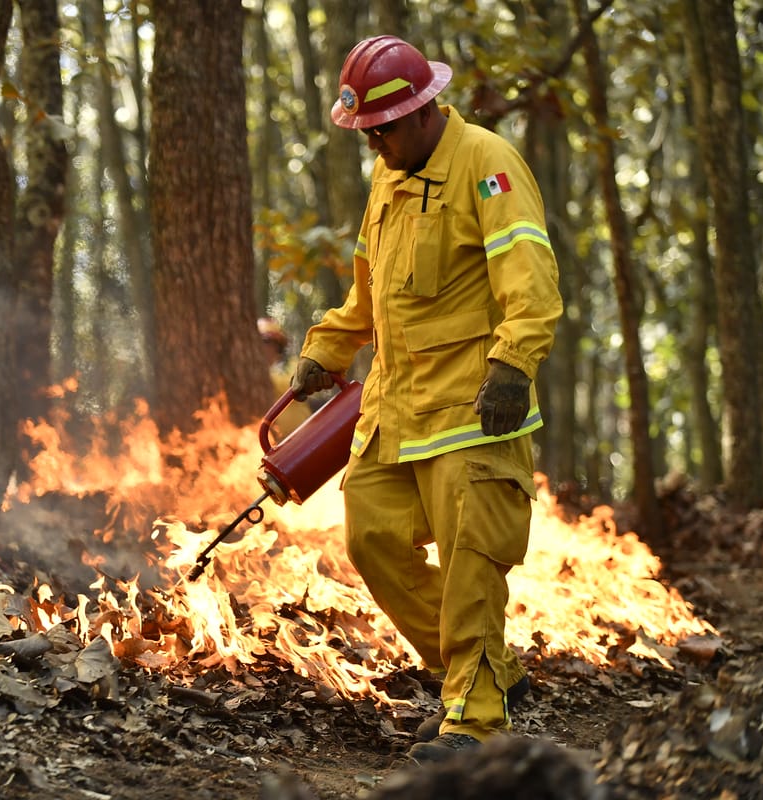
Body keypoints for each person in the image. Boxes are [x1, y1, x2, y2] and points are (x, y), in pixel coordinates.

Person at [289, 35, 563, 762]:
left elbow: (531, 284)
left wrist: (512, 366)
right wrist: (325, 349)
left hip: (475, 414)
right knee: (370, 539)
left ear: (421, 109)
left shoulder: (487, 164)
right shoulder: (389, 176)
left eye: (382, 128)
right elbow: (368, 295)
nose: (373, 142)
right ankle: (485, 673)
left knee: (473, 564)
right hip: (396, 414)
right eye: (366, 132)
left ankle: (475, 724)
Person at [259, 316, 311, 436]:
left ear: (277, 344)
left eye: (267, 341)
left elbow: (293, 385)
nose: (264, 347)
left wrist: (265, 376)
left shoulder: (292, 364)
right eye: (262, 341)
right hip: (270, 442)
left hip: (300, 436)